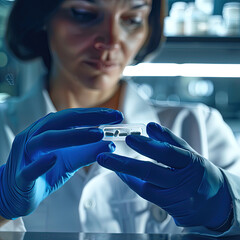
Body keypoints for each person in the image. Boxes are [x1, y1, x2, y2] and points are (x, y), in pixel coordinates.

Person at [0, 0, 240, 236]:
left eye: (132, 20)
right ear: (42, 16)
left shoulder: (200, 127)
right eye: (84, 14)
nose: (112, 40)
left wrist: (225, 210)